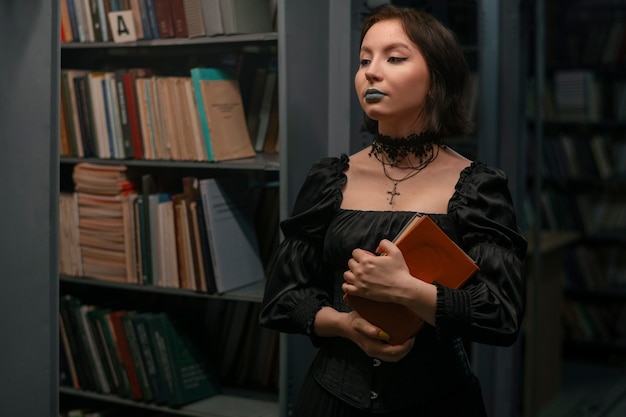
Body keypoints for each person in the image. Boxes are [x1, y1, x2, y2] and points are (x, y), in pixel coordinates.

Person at [260, 4, 527, 417]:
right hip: (330, 399)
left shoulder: (478, 187)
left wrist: (408, 291)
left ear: (436, 78)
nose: (371, 71)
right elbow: (281, 298)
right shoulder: (330, 178)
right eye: (364, 59)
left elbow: (502, 315)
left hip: (439, 402)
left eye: (395, 57)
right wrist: (345, 326)